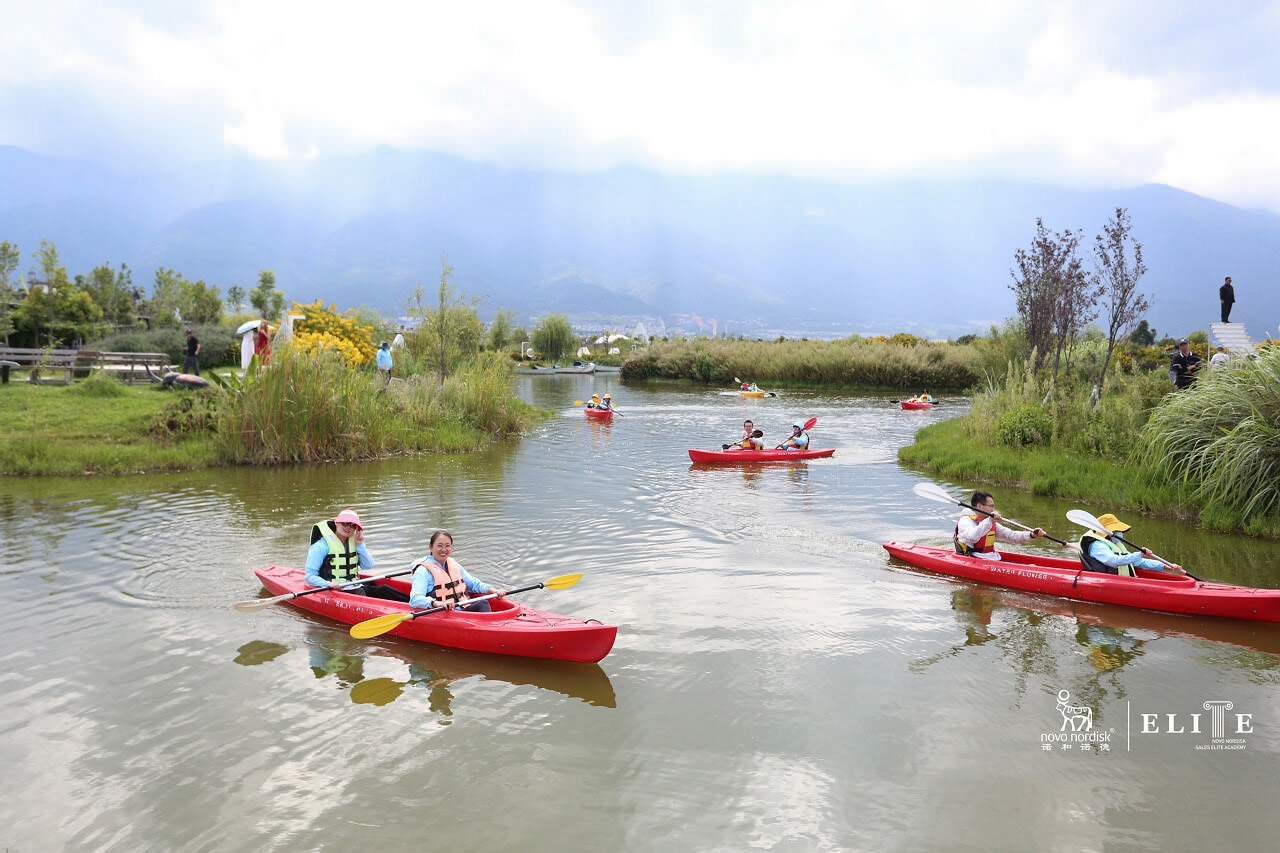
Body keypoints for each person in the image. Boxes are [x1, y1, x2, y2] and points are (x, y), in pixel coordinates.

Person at [304, 509, 409, 601]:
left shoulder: (354, 543)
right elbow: (310, 576)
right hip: (335, 590)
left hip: (355, 585)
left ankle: (416, 602)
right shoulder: (320, 546)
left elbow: (368, 565)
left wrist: (360, 545)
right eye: (345, 523)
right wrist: (327, 584)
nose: (348, 528)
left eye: (353, 525)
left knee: (384, 589)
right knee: (363, 594)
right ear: (336, 522)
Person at [409, 531, 506, 612]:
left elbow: (473, 584)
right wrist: (438, 604)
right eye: (439, 546)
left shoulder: (453, 564)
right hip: (444, 613)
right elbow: (415, 600)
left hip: (462, 608)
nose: (444, 549)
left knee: (483, 602)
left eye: (447, 546)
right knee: (483, 604)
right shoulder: (423, 571)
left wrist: (494, 591)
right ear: (430, 547)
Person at [1078, 513, 1183, 576]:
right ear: (1107, 532)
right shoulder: (1097, 546)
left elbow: (1138, 562)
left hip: (1120, 581)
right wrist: (1139, 554)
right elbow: (1113, 561)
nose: (1120, 533)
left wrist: (1166, 566)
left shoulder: (1115, 543)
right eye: (1117, 530)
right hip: (1106, 582)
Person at [953, 490, 1045, 559]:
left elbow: (1011, 536)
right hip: (971, 559)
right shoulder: (965, 521)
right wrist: (989, 521)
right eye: (991, 506)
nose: (993, 509)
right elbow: (972, 537)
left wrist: (1031, 535)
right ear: (979, 506)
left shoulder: (989, 521)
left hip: (989, 558)